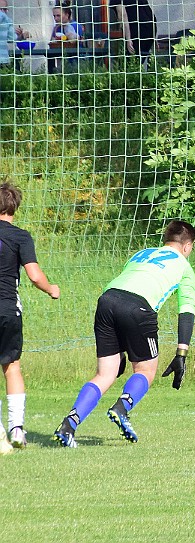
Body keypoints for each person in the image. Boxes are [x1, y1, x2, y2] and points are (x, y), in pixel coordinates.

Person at [54, 220, 195, 448]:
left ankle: (68, 425)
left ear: (165, 240)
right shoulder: (184, 267)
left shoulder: (141, 254)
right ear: (187, 247)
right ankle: (122, 408)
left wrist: (119, 349)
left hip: (107, 301)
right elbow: (186, 312)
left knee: (105, 374)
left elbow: (124, 287)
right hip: (138, 308)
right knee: (145, 370)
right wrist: (181, 354)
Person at [0, 183, 60, 449]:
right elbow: (34, 275)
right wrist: (51, 289)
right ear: (15, 208)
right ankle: (16, 430)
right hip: (7, 309)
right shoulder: (21, 237)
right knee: (12, 367)